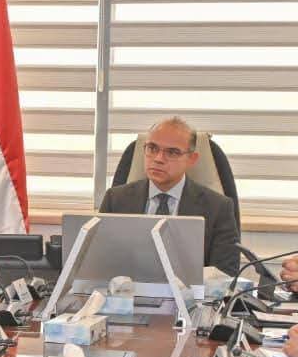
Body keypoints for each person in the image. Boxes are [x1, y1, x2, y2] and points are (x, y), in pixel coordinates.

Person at [98, 117, 240, 274]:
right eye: (152, 148)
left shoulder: (218, 208)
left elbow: (225, 274)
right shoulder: (115, 200)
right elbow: (100, 264)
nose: (158, 159)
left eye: (172, 152)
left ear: (191, 159)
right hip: (128, 289)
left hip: (192, 290)